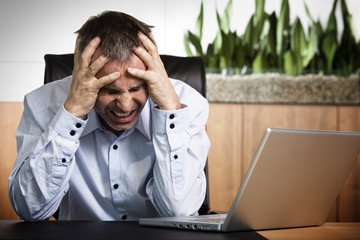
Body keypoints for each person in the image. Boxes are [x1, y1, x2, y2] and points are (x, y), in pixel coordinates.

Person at [8, 11, 210, 221]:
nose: (125, 105)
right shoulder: (43, 105)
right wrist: (71, 114)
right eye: (109, 90)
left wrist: (170, 111)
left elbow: (178, 212)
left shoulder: (189, 105)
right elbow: (31, 209)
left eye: (136, 88)